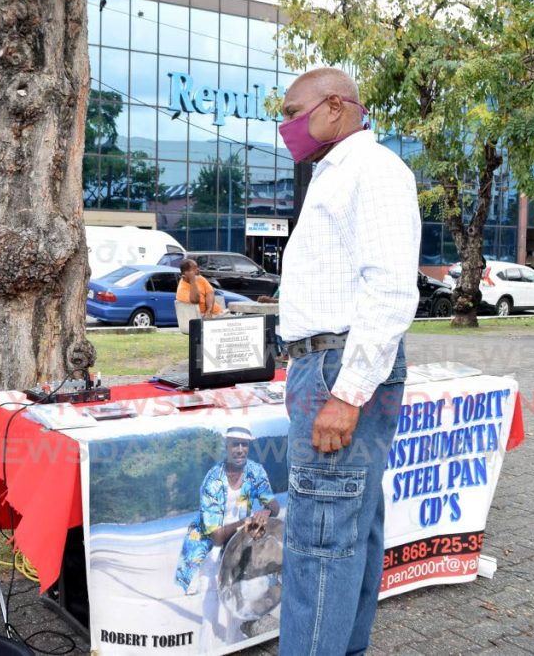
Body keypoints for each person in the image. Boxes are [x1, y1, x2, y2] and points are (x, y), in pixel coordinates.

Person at [275, 67, 420, 655]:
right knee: (347, 533)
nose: (285, 125)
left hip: (339, 367)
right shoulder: (339, 172)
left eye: (291, 111)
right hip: (330, 362)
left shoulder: (372, 170)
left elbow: (389, 290)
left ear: (335, 106)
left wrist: (346, 393)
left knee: (322, 541)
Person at [175, 426, 280, 651]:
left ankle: (233, 646)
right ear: (227, 446)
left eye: (245, 445)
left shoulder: (255, 471)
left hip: (239, 542)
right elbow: (217, 537)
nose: (240, 450)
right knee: (211, 602)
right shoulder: (213, 480)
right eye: (235, 444)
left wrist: (265, 512)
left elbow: (274, 505)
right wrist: (247, 522)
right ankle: (206, 650)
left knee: (236, 598)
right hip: (211, 544)